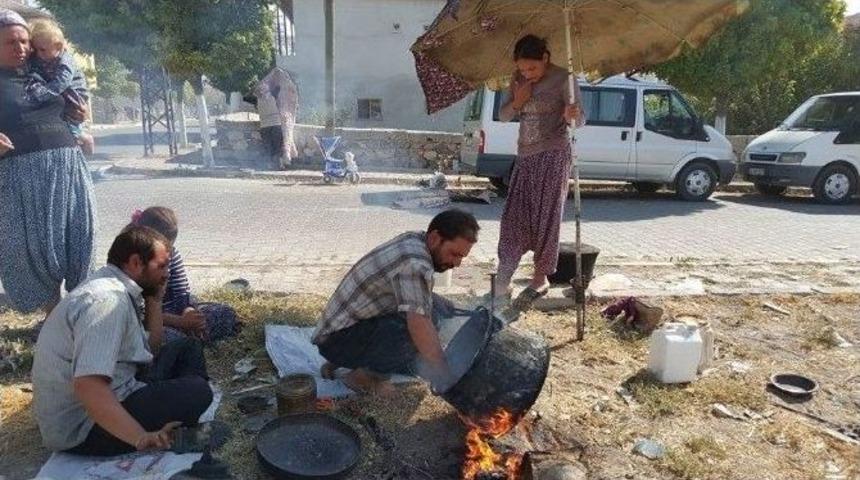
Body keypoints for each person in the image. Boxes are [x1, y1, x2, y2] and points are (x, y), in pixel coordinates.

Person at [31, 226, 213, 456]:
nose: (167, 274)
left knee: (188, 347)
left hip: (117, 389)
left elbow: (149, 352)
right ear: (136, 263)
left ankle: (175, 412)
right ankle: (174, 418)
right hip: (84, 426)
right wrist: (140, 437)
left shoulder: (113, 285)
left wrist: (155, 301)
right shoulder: (107, 301)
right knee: (198, 391)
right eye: (162, 266)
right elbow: (88, 385)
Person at [312, 209, 480, 395]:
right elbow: (419, 325)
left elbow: (411, 291)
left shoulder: (415, 240)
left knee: (431, 312)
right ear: (435, 238)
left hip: (338, 332)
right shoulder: (415, 263)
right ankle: (363, 378)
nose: (457, 263)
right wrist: (444, 372)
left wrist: (439, 301)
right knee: (416, 329)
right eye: (454, 254)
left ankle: (343, 362)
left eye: (461, 257)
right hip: (337, 341)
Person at [0, 10, 97, 315]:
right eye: (11, 42)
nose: (21, 48)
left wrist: (79, 116)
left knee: (78, 238)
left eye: (24, 41)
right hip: (20, 178)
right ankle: (53, 319)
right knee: (32, 250)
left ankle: (80, 316)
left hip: (67, 168)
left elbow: (74, 102)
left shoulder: (44, 68)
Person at [494, 34, 586, 311]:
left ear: (545, 58)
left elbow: (580, 119)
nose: (527, 73)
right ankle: (504, 276)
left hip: (553, 155)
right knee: (514, 218)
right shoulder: (517, 79)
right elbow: (504, 116)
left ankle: (540, 277)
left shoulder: (564, 79)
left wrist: (572, 115)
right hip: (525, 157)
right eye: (523, 69)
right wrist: (518, 100)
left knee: (547, 216)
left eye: (532, 68)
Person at [133, 206, 241, 344]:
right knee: (167, 339)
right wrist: (181, 322)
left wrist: (190, 314)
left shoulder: (172, 256)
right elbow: (141, 315)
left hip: (178, 315)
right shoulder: (134, 266)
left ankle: (191, 340)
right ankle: (187, 343)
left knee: (225, 312)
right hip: (155, 322)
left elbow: (182, 295)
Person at [26, 18, 94, 155]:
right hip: (60, 91)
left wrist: (44, 94)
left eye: (42, 50)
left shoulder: (66, 60)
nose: (38, 54)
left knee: (69, 119)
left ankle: (83, 137)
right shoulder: (42, 58)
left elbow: (62, 82)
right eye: (35, 50)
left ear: (58, 46)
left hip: (73, 93)